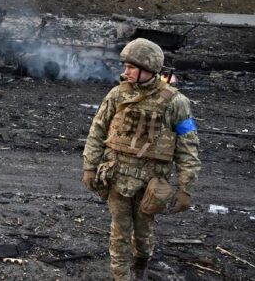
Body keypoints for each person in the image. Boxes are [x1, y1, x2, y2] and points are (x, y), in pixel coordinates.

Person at [82, 38, 201, 280]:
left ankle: (141, 265)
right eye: (125, 66)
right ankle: (121, 277)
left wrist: (185, 188)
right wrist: (89, 167)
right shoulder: (117, 95)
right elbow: (97, 131)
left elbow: (188, 146)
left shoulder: (176, 102)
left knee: (144, 234)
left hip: (152, 183)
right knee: (119, 233)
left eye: (131, 67)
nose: (125, 72)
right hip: (117, 177)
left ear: (148, 69)